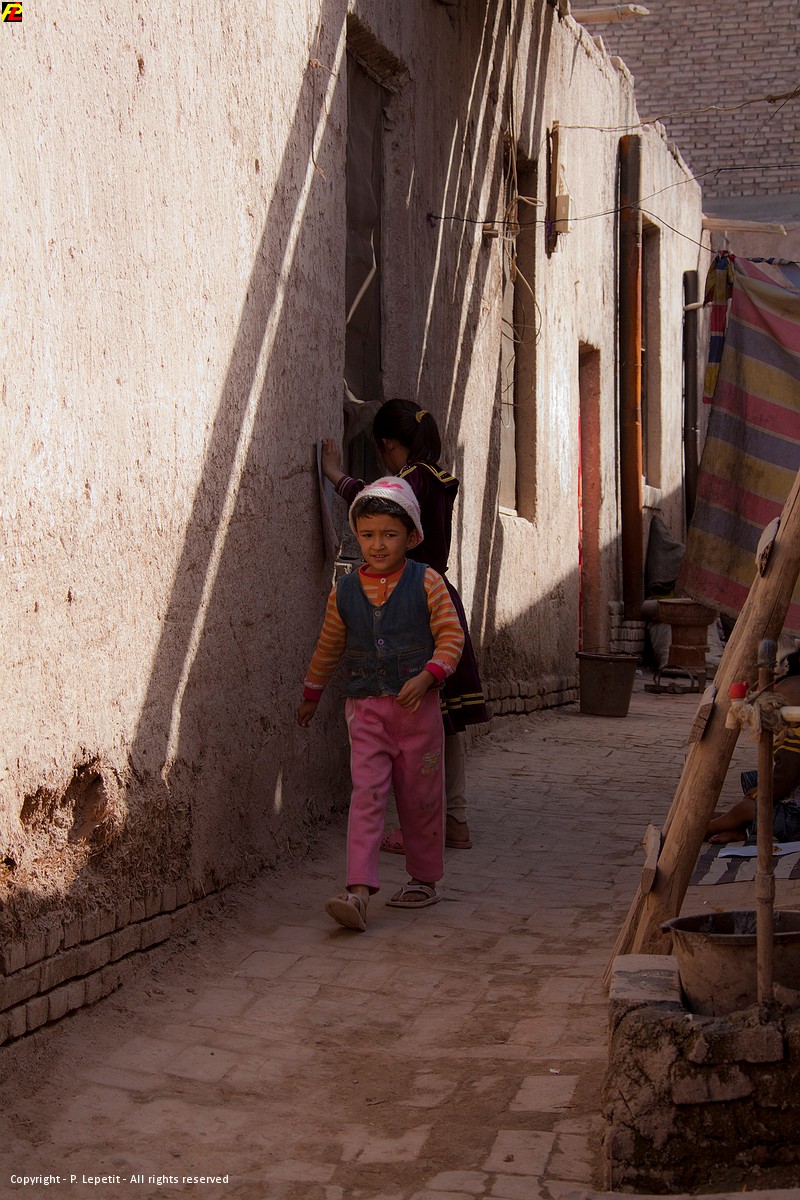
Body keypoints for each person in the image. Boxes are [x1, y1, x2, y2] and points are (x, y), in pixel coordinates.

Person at [321, 398, 489, 855]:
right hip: (439, 595)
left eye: (383, 454)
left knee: (411, 724)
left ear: (390, 445)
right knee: (444, 720)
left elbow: (373, 503)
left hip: (411, 604)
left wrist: (335, 474)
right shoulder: (439, 479)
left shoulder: (411, 479)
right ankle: (454, 818)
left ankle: (423, 828)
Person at [297, 477, 464, 931]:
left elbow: (452, 637)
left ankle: (424, 879)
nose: (377, 544)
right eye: (367, 534)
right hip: (366, 713)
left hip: (418, 715)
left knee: (420, 799)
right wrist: (312, 693)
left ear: (411, 536)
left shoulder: (427, 582)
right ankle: (358, 891)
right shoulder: (345, 591)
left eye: (389, 534)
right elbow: (329, 645)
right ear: (356, 535)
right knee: (366, 795)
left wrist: (429, 676)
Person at [706, 650, 800, 845]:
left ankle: (706, 829)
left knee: (746, 808)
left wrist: (761, 793)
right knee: (755, 781)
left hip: (795, 820)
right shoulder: (792, 732)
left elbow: (786, 778)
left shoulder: (795, 738)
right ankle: (741, 829)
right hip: (792, 801)